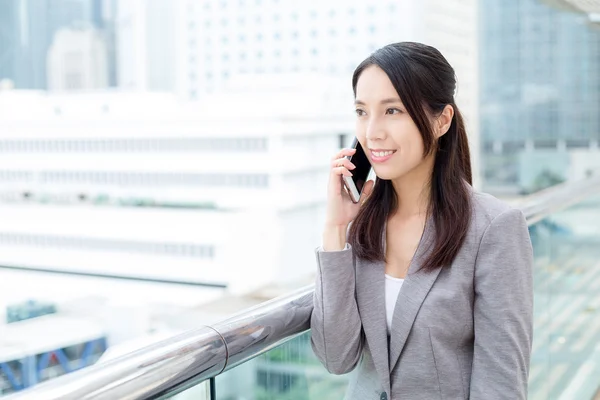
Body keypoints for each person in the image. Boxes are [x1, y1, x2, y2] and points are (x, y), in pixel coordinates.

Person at [310, 42, 534, 400]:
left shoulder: (495, 228)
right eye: (362, 111)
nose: (372, 132)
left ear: (442, 120)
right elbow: (336, 358)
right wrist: (335, 229)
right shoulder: (364, 226)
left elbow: (501, 385)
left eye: (393, 110)